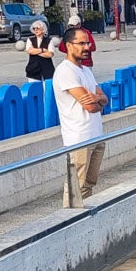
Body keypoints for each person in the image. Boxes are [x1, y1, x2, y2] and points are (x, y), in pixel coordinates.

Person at [52, 27, 109, 201]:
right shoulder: (66, 71)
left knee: (89, 184)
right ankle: (68, 221)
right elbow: (92, 107)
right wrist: (97, 101)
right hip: (79, 139)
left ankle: (83, 219)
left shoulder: (86, 71)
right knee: (75, 185)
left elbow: (104, 100)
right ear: (69, 45)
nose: (87, 47)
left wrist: (97, 99)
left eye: (88, 43)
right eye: (82, 43)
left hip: (95, 135)